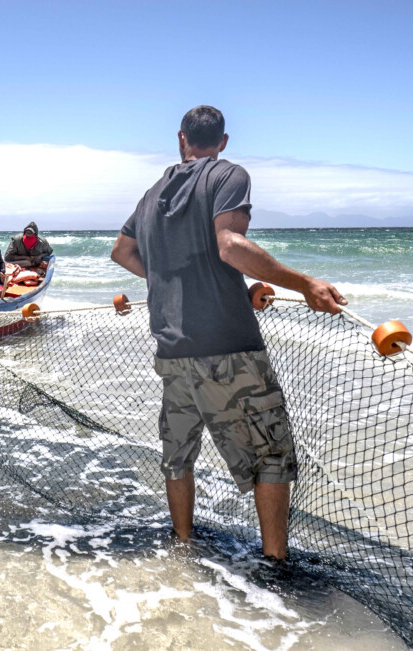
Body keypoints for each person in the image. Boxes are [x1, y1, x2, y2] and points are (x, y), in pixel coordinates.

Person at [111, 105, 346, 561]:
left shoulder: (152, 193)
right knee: (272, 458)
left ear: (181, 139)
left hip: (172, 350)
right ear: (222, 141)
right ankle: (275, 567)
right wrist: (306, 285)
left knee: (178, 455)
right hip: (227, 348)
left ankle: (183, 545)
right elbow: (231, 246)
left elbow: (123, 251)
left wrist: (172, 287)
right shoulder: (227, 175)